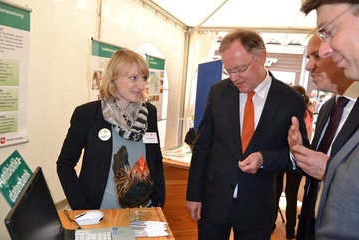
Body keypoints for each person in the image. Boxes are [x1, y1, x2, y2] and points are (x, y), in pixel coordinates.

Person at [185, 28, 309, 240]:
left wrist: (265, 159)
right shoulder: (218, 92)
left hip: (257, 208)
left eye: (240, 69)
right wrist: (193, 195)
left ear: (261, 57)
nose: (234, 78)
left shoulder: (290, 101)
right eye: (229, 71)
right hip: (214, 203)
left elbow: (299, 158)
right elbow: (202, 147)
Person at [57, 49, 165, 210]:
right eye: (133, 78)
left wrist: (158, 201)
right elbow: (65, 165)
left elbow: (155, 158)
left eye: (143, 78)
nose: (141, 85)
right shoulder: (87, 115)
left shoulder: (149, 112)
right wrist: (82, 208)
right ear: (113, 79)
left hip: (145, 211)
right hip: (101, 213)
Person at [290, 1, 359, 238]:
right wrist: (299, 147)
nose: (310, 65)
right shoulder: (331, 106)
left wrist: (328, 169)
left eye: (330, 32)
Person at [274, 85, 311, 239]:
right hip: (298, 157)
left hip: (281, 156)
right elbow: (309, 136)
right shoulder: (307, 114)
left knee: (275, 192)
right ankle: (290, 230)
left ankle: (271, 224)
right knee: (291, 194)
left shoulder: (282, 110)